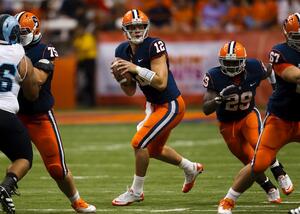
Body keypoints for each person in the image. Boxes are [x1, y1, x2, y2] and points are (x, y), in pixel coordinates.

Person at [110, 9, 203, 206]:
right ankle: (190, 168)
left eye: (140, 26)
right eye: (132, 27)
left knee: (139, 142)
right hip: (153, 106)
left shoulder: (154, 45)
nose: (136, 31)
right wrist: (121, 78)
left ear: (147, 27)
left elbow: (160, 82)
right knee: (153, 149)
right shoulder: (121, 51)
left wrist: (134, 68)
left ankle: (136, 191)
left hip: (171, 105)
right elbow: (130, 90)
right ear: (125, 30)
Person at [217, 13, 300, 214]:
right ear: (287, 35)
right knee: (259, 164)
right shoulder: (280, 51)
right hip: (280, 118)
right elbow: (291, 74)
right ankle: (227, 201)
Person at [14, 11, 96, 213]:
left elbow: (38, 81)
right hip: (11, 114)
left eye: (22, 32)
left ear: (34, 31)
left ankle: (76, 200)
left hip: (39, 116)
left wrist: (17, 60)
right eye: (15, 32)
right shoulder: (8, 48)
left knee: (57, 167)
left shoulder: (44, 50)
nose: (18, 37)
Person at [0, 14, 42, 214]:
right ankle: (6, 186)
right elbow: (32, 94)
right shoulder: (20, 55)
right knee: (24, 157)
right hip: (6, 114)